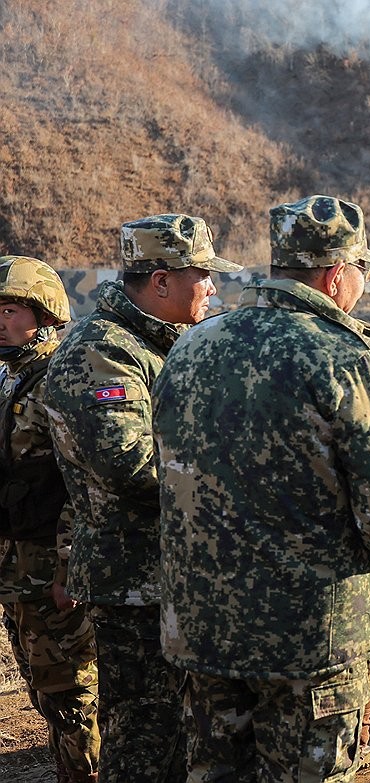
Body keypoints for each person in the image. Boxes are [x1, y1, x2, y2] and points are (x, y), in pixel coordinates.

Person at [152, 195, 370, 780]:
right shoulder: (346, 356)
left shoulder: (192, 345)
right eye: (363, 271)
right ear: (336, 275)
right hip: (311, 637)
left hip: (203, 628)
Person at [45, 213, 242, 782]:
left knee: (195, 736)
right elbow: (128, 461)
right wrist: (239, 480)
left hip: (183, 574)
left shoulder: (174, 341)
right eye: (202, 275)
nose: (212, 287)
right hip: (137, 583)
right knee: (147, 742)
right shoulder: (101, 350)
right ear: (161, 281)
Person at [0, 256, 100, 782]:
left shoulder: (61, 380)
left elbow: (81, 484)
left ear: (44, 313)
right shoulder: (10, 377)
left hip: (52, 572)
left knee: (73, 697)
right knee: (45, 693)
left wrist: (69, 569)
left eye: (10, 309)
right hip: (18, 572)